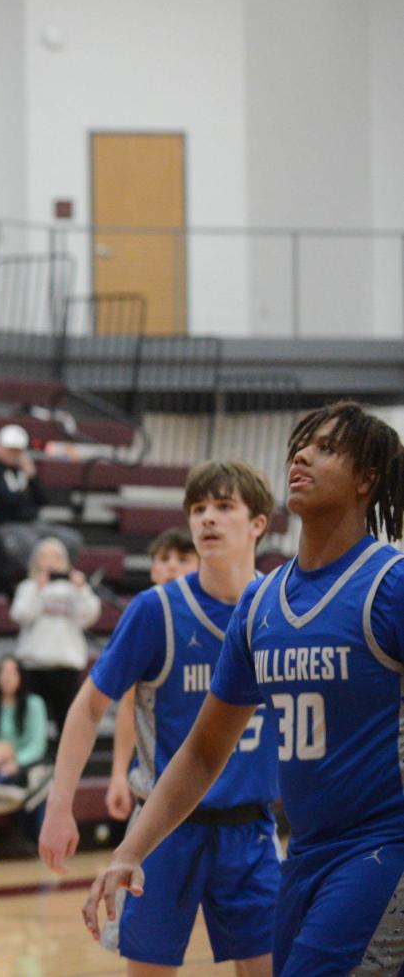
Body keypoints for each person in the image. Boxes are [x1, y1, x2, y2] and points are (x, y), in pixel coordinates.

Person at [86, 403, 404, 976]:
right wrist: (131, 849)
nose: (302, 455)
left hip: (383, 847)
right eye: (302, 446)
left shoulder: (392, 586)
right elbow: (206, 750)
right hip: (304, 855)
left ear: (367, 479)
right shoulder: (260, 606)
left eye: (327, 449)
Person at [43, 462, 278, 976]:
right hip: (164, 832)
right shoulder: (157, 611)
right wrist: (59, 805)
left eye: (223, 506)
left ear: (258, 523)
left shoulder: (281, 607)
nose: (207, 520)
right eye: (198, 509)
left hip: (252, 830)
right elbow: (88, 707)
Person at [104, 526, 205, 827]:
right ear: (152, 571)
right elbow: (128, 705)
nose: (172, 565)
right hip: (159, 793)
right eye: (163, 558)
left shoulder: (224, 615)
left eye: (184, 558)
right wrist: (119, 774)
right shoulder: (145, 617)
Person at [9, 535, 101, 730]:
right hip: (33, 665)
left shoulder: (75, 588)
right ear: (35, 560)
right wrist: (37, 589)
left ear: (65, 561)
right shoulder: (28, 587)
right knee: (32, 723)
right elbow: (20, 615)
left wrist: (82, 590)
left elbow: (88, 618)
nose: (50, 561)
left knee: (67, 723)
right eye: (44, 556)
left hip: (65, 666)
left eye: (55, 556)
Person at [0, 424, 49, 527]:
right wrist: (24, 485)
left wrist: (32, 478)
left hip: (31, 522)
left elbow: (42, 500)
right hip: (5, 524)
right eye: (10, 450)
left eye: (17, 451)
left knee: (70, 538)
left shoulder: (22, 470)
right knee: (30, 541)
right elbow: (8, 502)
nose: (14, 455)